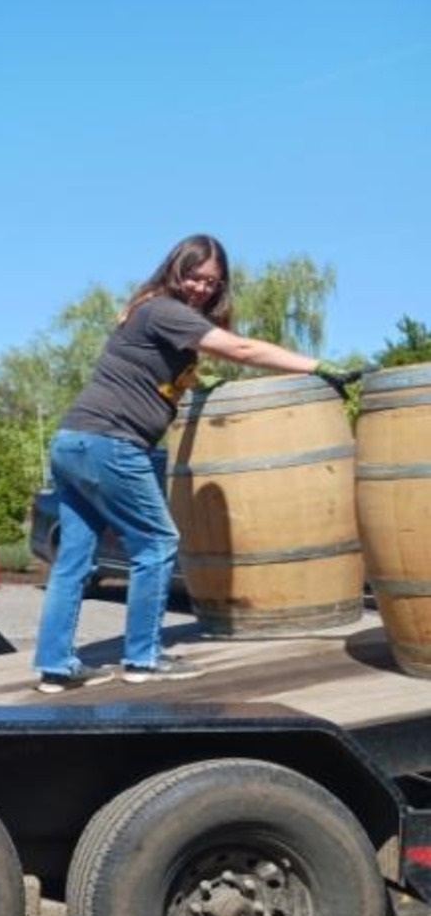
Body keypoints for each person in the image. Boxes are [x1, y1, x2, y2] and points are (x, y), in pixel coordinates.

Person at [32, 234, 352, 694]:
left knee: (74, 561)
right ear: (174, 269)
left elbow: (155, 376)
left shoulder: (148, 312)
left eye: (211, 282)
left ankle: (55, 667)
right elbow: (241, 349)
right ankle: (143, 658)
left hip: (74, 439)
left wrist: (197, 383)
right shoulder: (165, 309)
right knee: (157, 543)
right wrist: (317, 366)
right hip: (111, 442)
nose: (201, 288)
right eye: (194, 276)